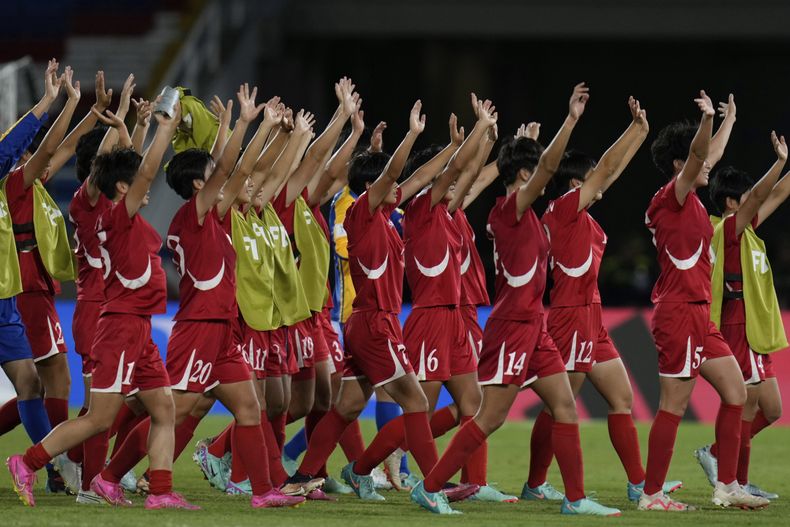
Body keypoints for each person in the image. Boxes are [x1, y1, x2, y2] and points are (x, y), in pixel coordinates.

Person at [411, 83, 619, 517]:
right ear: (524, 176)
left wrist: (523, 140)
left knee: (564, 406)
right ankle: (430, 487)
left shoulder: (522, 212)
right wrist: (571, 120)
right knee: (489, 418)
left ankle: (575, 499)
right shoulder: (509, 210)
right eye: (537, 171)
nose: (546, 176)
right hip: (510, 327)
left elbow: (540, 166)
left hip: (534, 325)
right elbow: (545, 166)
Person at [6, 98, 198, 510]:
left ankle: (157, 491)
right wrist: (163, 128)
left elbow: (125, 169)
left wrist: (135, 125)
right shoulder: (109, 212)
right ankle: (34, 463)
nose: (147, 188)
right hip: (114, 320)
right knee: (99, 417)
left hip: (138, 325)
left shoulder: (115, 206)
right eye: (136, 183)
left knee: (163, 408)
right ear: (122, 187)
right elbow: (136, 172)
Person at [285, 100, 454, 501]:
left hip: (370, 322)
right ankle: (431, 488)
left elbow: (415, 179)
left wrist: (451, 149)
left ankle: (303, 475)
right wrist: (411, 134)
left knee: (345, 407)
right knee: (414, 402)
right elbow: (395, 173)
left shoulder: (381, 211)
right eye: (385, 183)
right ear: (371, 187)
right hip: (375, 321)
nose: (397, 188)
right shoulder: (360, 211)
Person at [525, 97, 682, 503]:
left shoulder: (585, 216)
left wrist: (641, 132)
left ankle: (638, 486)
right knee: (560, 404)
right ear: (577, 183)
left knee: (622, 399)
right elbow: (606, 170)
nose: (599, 181)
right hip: (569, 317)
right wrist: (631, 132)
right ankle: (536, 483)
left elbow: (608, 175)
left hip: (592, 319)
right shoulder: (562, 209)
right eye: (590, 176)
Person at [639, 91, 767, 511]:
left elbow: (705, 153)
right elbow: (698, 155)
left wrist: (728, 120)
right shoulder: (669, 200)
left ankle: (727, 485)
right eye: (697, 161)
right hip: (678, 314)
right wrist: (707, 120)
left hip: (700, 315)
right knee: (672, 406)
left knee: (737, 393)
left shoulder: (691, 201)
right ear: (680, 166)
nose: (709, 165)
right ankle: (652, 494)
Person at [693, 128, 789, 501]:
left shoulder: (746, 229)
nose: (754, 201)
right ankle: (734, 480)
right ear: (733, 202)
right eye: (747, 196)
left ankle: (719, 455)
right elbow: (767, 191)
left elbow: (777, 192)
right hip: (735, 322)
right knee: (748, 405)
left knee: (772, 409)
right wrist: (779, 161)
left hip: (754, 325)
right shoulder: (727, 229)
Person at [0, 59, 59, 484]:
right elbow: (9, 149)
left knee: (30, 382)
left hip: (4, 299)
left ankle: (52, 465)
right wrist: (44, 105)